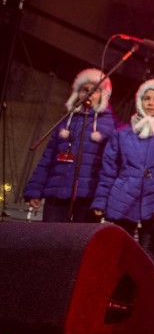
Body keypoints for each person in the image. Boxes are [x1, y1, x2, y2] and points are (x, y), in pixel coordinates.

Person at [92, 78, 154, 269]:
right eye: (146, 98)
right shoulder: (123, 132)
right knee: (120, 251)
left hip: (153, 199)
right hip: (123, 196)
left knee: (149, 255)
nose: (150, 103)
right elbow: (108, 169)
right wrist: (100, 200)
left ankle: (147, 296)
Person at [25, 68, 117, 222]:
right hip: (56, 194)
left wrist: (101, 200)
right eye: (84, 90)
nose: (88, 94)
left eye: (94, 90)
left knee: (81, 243)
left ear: (103, 95)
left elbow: (108, 168)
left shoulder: (109, 126)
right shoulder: (66, 121)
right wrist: (35, 190)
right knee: (51, 240)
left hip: (86, 197)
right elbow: (47, 159)